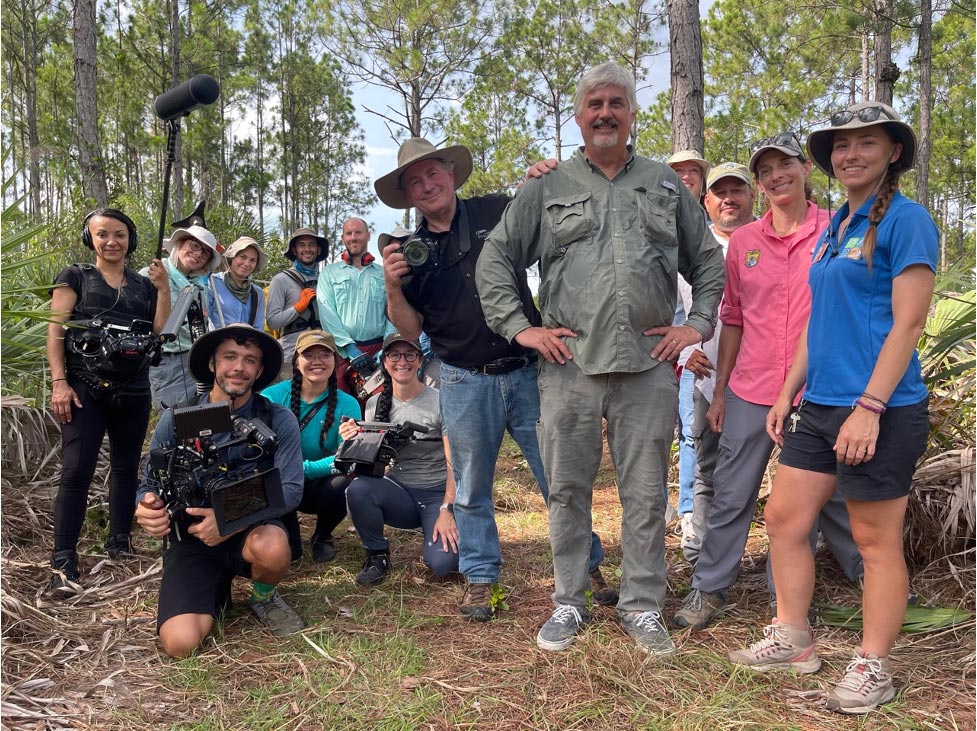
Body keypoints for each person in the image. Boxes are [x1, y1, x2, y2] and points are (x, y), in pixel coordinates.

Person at [476, 61, 725, 654]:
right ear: (580, 116)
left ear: (632, 114)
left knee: (645, 492)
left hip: (647, 367)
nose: (606, 113)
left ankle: (642, 606)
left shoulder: (665, 184)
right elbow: (495, 261)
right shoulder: (547, 187)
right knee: (566, 488)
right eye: (595, 105)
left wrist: (695, 325)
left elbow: (709, 265)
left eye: (617, 103)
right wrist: (522, 329)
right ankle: (569, 601)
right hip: (569, 368)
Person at [728, 102, 936, 715]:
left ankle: (874, 665)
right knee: (786, 519)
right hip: (819, 406)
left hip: (881, 408)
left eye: (865, 143)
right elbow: (818, 321)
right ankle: (793, 637)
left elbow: (910, 322)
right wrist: (790, 390)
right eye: (840, 146)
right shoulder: (835, 227)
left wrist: (869, 406)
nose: (850, 155)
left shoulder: (907, 220)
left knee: (875, 541)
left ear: (892, 151)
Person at [377, 137, 616, 622]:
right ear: (407, 194)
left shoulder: (494, 210)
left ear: (450, 173)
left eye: (433, 173)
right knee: (470, 486)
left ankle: (586, 565)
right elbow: (409, 329)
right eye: (415, 181)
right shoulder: (409, 252)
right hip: (464, 379)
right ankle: (482, 577)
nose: (428, 185)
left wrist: (539, 184)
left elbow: (552, 232)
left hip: (528, 369)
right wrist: (391, 285)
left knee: (557, 477)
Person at [672, 138, 863, 632]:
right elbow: (731, 318)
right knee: (732, 492)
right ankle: (709, 587)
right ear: (760, 184)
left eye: (786, 165)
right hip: (752, 387)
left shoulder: (836, 228)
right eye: (767, 170)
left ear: (804, 170)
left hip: (821, 387)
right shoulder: (745, 243)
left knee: (829, 494)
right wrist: (720, 393)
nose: (778, 175)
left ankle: (853, 582)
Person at [135, 325, 306, 657]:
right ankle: (216, 591)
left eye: (250, 360)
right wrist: (145, 505)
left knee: (272, 545)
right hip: (193, 536)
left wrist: (229, 519)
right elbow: (149, 483)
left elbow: (290, 489)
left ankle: (264, 596)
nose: (239, 367)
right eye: (230, 357)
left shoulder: (277, 419)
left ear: (259, 371)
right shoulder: (176, 419)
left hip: (251, 530)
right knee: (181, 644)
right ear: (213, 364)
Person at [46, 208, 170, 595]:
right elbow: (55, 333)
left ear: (130, 239)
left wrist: (163, 288)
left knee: (126, 466)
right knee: (76, 470)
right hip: (84, 388)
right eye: (102, 235)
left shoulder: (144, 284)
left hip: (132, 387)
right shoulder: (75, 277)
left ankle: (120, 541)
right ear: (91, 239)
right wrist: (59, 382)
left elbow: (160, 331)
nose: (111, 242)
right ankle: (63, 560)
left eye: (119, 234)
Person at [677, 162, 756, 563]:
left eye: (736, 190)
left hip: (768, 376)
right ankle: (701, 552)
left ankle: (802, 553)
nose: (728, 198)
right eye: (719, 192)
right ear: (705, 201)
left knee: (793, 466)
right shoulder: (689, 249)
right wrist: (686, 353)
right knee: (708, 465)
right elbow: (670, 312)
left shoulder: (770, 238)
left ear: (751, 195)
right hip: (709, 378)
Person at [339, 334, 459, 585]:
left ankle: (459, 528)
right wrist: (352, 439)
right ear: (384, 362)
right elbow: (369, 464)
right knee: (357, 489)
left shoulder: (441, 400)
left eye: (409, 355)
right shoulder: (373, 403)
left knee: (441, 566)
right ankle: (376, 554)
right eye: (394, 355)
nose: (401, 361)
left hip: (437, 493)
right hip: (399, 491)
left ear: (419, 360)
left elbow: (455, 463)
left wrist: (447, 508)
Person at [261, 330, 361, 562]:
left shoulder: (348, 404)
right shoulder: (272, 397)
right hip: (279, 482)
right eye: (309, 354)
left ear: (335, 361)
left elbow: (345, 458)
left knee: (342, 484)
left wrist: (302, 470)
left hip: (317, 483)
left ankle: (322, 535)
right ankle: (285, 526)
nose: (317, 361)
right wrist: (291, 473)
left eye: (325, 355)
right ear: (296, 361)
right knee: (291, 555)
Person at [667, 150, 712, 544]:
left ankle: (687, 511)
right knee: (656, 432)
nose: (685, 178)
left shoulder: (710, 231)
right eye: (677, 172)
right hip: (658, 348)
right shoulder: (658, 225)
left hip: (697, 350)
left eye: (692, 172)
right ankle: (664, 506)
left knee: (691, 433)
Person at [316, 217, 395, 397]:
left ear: (368, 236)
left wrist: (386, 347)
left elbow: (393, 311)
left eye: (358, 232)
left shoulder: (383, 273)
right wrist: (350, 348)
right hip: (341, 352)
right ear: (343, 238)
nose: (354, 237)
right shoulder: (329, 273)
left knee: (379, 407)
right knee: (341, 406)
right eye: (349, 233)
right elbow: (327, 312)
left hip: (377, 351)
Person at [144, 224, 221, 409]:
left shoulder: (200, 287)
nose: (198, 254)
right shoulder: (153, 275)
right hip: (167, 359)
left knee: (200, 414)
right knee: (176, 417)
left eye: (205, 253)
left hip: (195, 359)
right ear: (179, 243)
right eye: (194, 246)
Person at [266, 227, 329, 381]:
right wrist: (298, 307)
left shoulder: (328, 279)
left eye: (311, 244)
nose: (307, 249)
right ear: (294, 250)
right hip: (290, 357)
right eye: (301, 245)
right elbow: (272, 322)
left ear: (318, 249)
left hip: (322, 358)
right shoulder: (281, 280)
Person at [208, 236, 268, 330]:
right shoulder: (213, 282)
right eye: (242, 257)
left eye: (252, 260)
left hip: (246, 342)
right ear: (232, 257)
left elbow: (258, 328)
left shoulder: (257, 293)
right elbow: (206, 319)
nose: (247, 264)